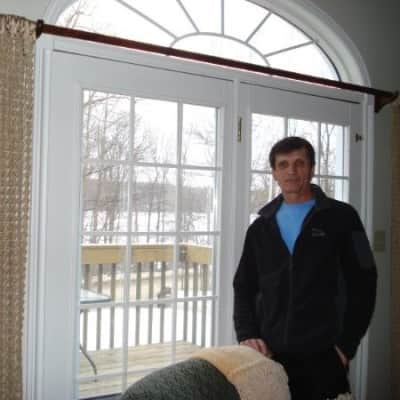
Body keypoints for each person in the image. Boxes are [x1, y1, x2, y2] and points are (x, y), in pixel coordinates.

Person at [233, 136, 377, 400]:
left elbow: (365, 283)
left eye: (299, 163)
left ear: (311, 169)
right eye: (283, 164)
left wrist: (345, 346)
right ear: (274, 172)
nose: (291, 171)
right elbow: (243, 286)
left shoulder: (343, 217)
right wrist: (247, 334)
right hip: (269, 356)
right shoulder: (260, 228)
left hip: (324, 356)